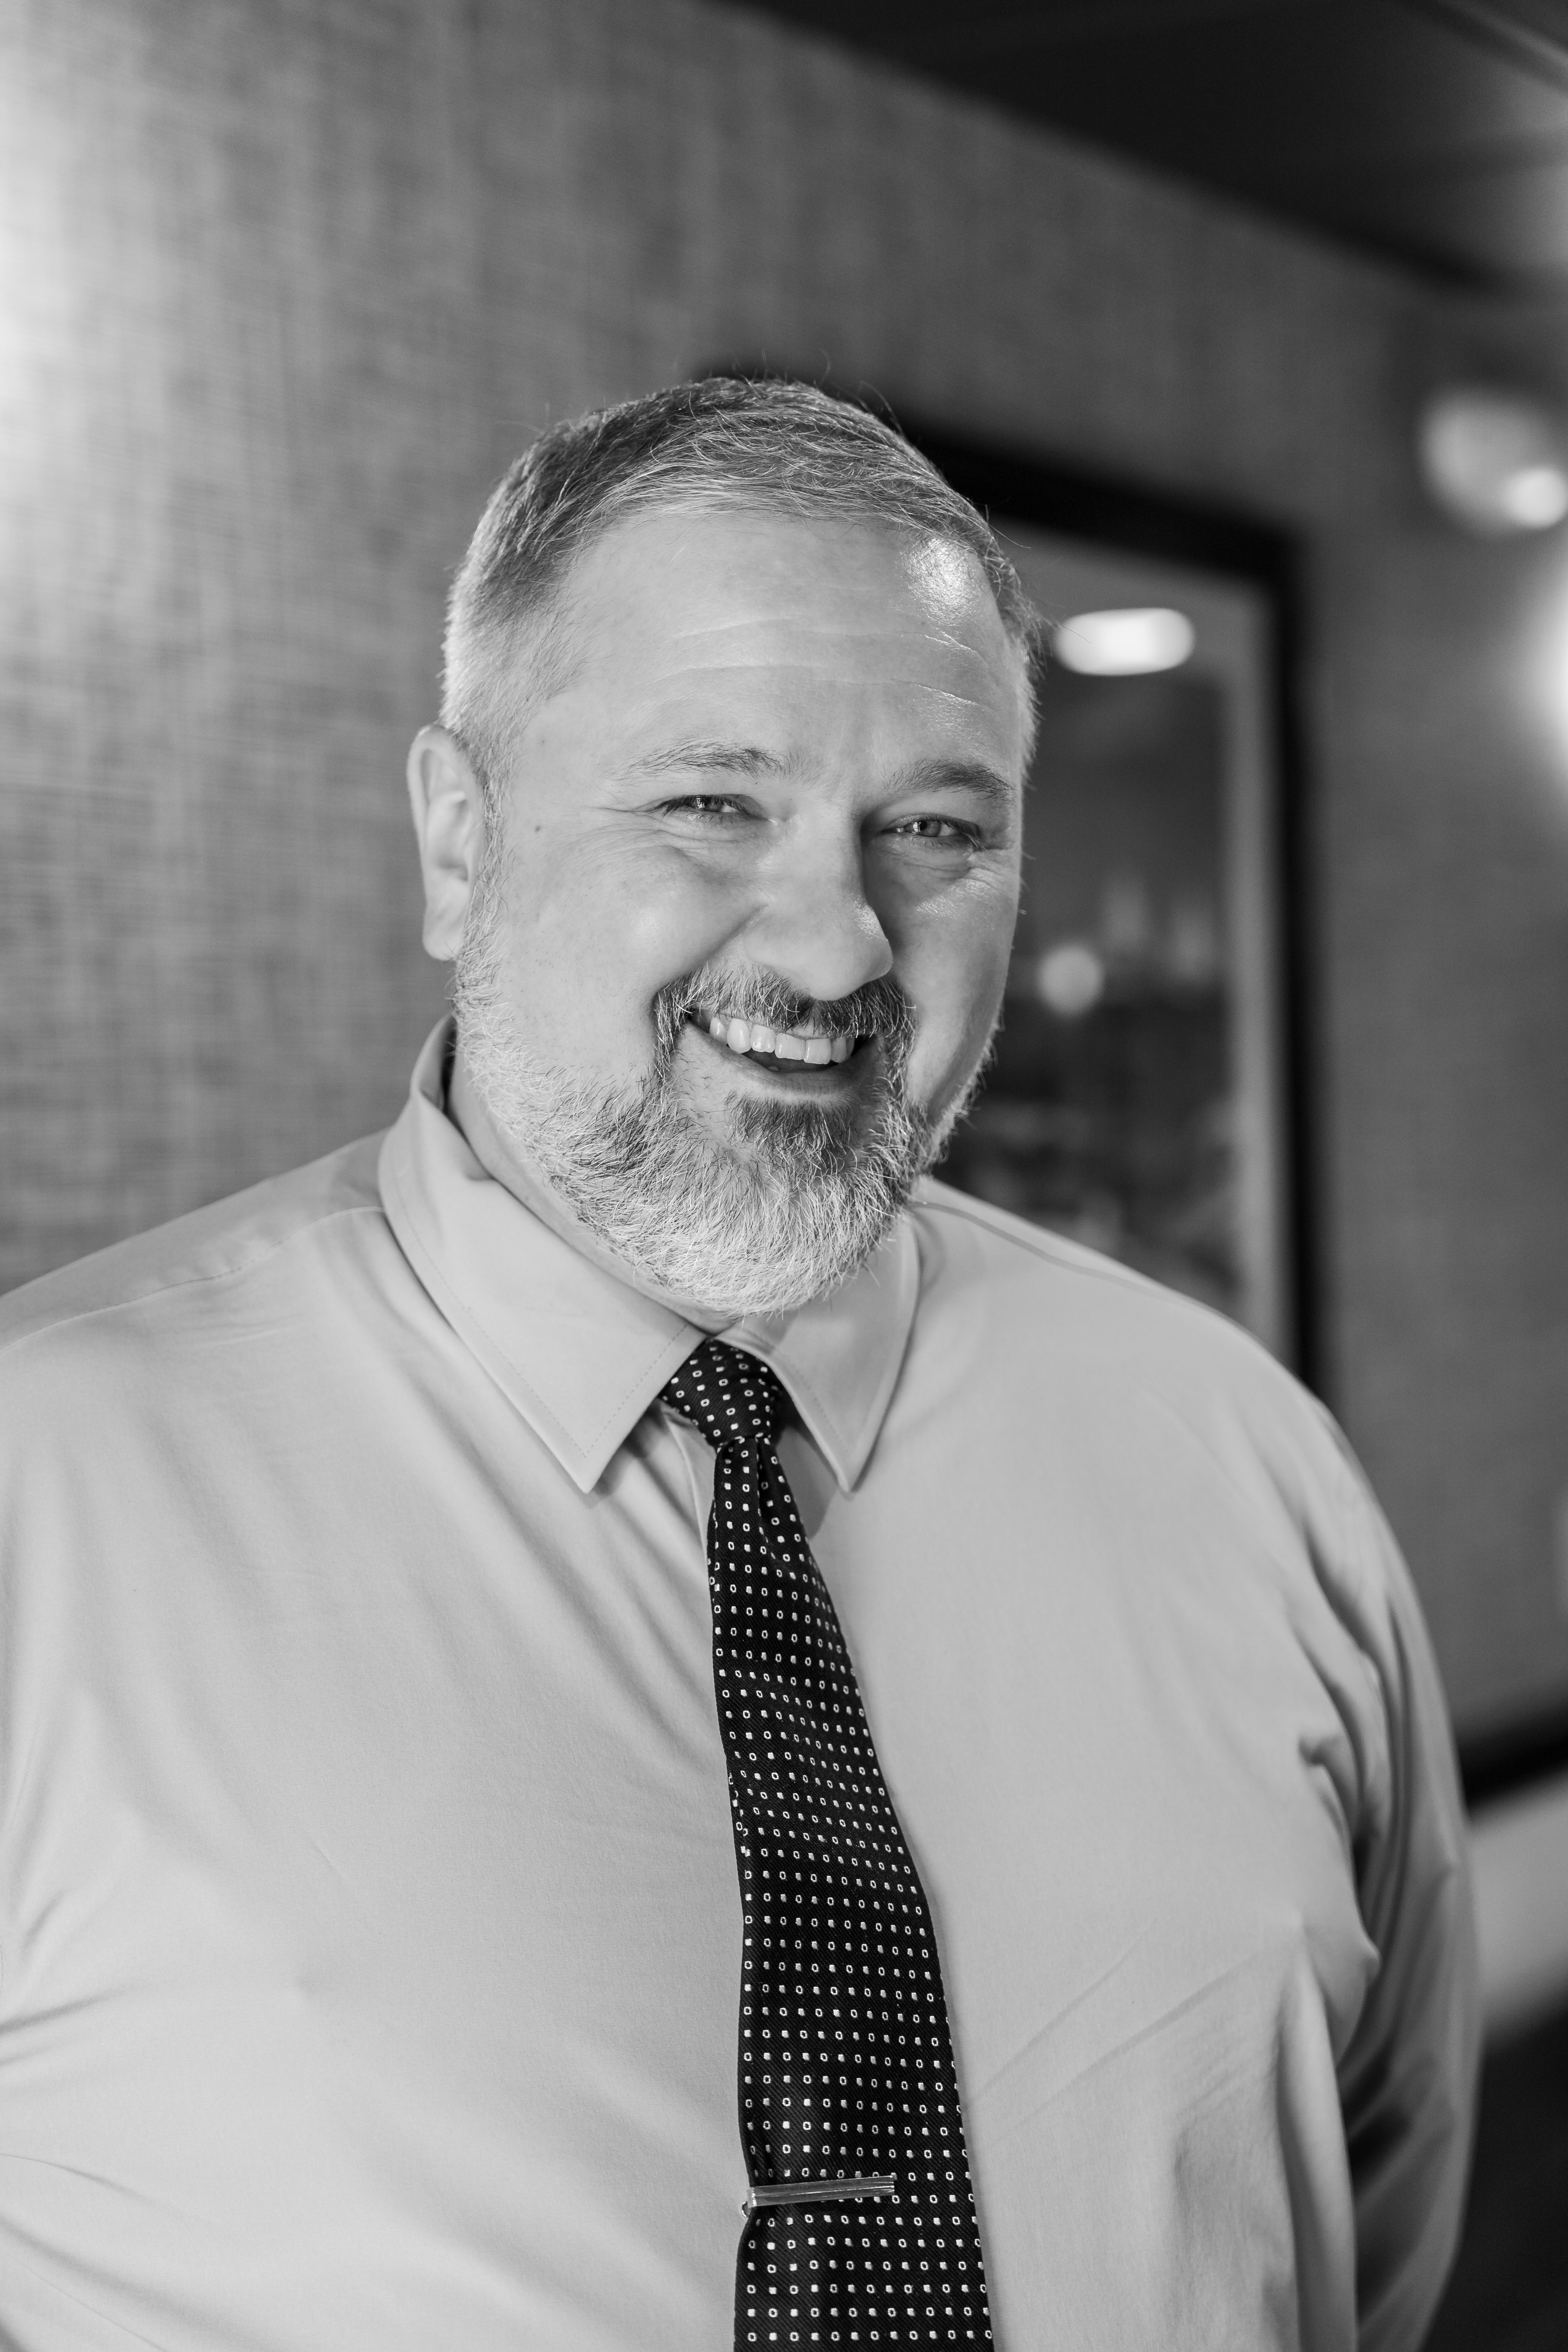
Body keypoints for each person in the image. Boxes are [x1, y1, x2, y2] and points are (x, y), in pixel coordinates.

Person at [0, 377, 1475, 2351]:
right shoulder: (42, 1495)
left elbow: (1363, 2250)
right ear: (460, 838)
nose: (843, 944)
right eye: (713, 801)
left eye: (936, 828)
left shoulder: (1245, 1460)